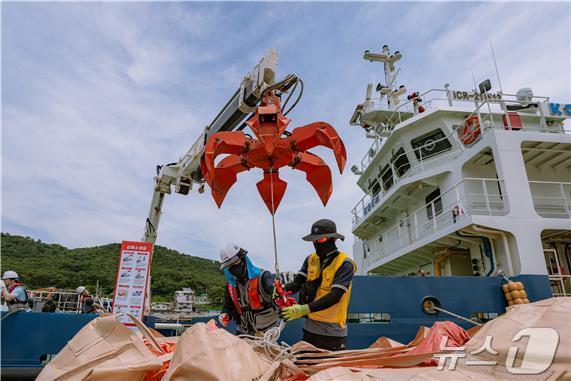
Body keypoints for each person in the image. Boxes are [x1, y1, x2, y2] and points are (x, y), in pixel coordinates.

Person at [281, 219, 356, 351]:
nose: (317, 243)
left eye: (321, 240)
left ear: (334, 239)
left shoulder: (345, 263)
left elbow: (335, 296)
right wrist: (282, 289)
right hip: (310, 329)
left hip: (332, 333)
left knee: (330, 370)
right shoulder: (311, 259)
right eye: (314, 240)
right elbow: (297, 283)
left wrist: (304, 309)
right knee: (306, 367)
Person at [218, 243, 280, 335]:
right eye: (229, 266)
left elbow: (272, 287)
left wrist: (276, 291)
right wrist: (225, 314)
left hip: (267, 331)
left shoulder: (263, 276)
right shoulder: (231, 285)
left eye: (236, 263)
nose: (233, 268)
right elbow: (228, 305)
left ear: (243, 259)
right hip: (243, 331)